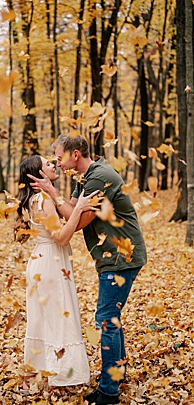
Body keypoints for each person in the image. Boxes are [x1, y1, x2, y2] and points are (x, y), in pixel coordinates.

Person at [29, 134, 147, 405]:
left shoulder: (99, 177)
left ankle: (109, 392)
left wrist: (54, 193)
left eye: (59, 157)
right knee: (111, 317)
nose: (57, 163)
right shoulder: (85, 178)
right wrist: (60, 199)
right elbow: (70, 210)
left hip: (122, 255)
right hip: (111, 256)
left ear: (75, 155)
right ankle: (117, 373)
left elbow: (77, 220)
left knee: (105, 319)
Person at [14, 155, 95, 391]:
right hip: (49, 261)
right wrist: (79, 208)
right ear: (38, 175)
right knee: (58, 317)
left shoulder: (42, 198)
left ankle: (36, 374)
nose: (53, 164)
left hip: (45, 260)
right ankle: (61, 375)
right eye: (47, 164)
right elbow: (60, 236)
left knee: (42, 319)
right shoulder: (41, 200)